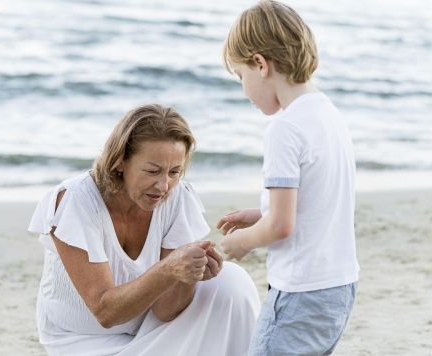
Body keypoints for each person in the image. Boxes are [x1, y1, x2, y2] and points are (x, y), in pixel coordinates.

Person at [28, 103, 260, 356]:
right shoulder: (76, 201)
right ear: (119, 162)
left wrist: (187, 275)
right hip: (82, 342)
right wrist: (168, 268)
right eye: (152, 171)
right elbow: (105, 312)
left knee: (232, 282)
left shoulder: (177, 197)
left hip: (149, 331)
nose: (163, 185)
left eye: (175, 172)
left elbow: (165, 311)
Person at [218, 1, 359, 355]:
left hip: (300, 292)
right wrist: (259, 213)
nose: (244, 90)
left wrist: (244, 241)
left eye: (240, 77)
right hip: (338, 287)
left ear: (260, 64)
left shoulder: (284, 127)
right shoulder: (327, 113)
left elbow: (281, 226)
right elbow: (319, 198)